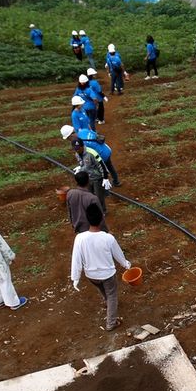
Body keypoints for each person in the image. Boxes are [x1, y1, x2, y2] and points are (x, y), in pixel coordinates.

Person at [71, 203, 131, 332]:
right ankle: (111, 322)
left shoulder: (80, 238)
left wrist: (75, 277)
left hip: (91, 276)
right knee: (112, 294)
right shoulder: (108, 238)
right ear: (101, 219)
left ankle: (107, 303)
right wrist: (126, 265)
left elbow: (76, 259)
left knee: (103, 290)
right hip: (108, 275)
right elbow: (118, 254)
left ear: (87, 219)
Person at [72, 138, 111, 214]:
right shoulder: (77, 154)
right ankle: (94, 210)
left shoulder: (92, 153)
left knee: (99, 197)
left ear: (82, 146)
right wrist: (80, 167)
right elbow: (83, 164)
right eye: (75, 149)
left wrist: (105, 177)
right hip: (88, 178)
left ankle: (103, 211)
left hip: (97, 178)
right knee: (89, 195)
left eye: (78, 148)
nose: (77, 151)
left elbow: (101, 165)